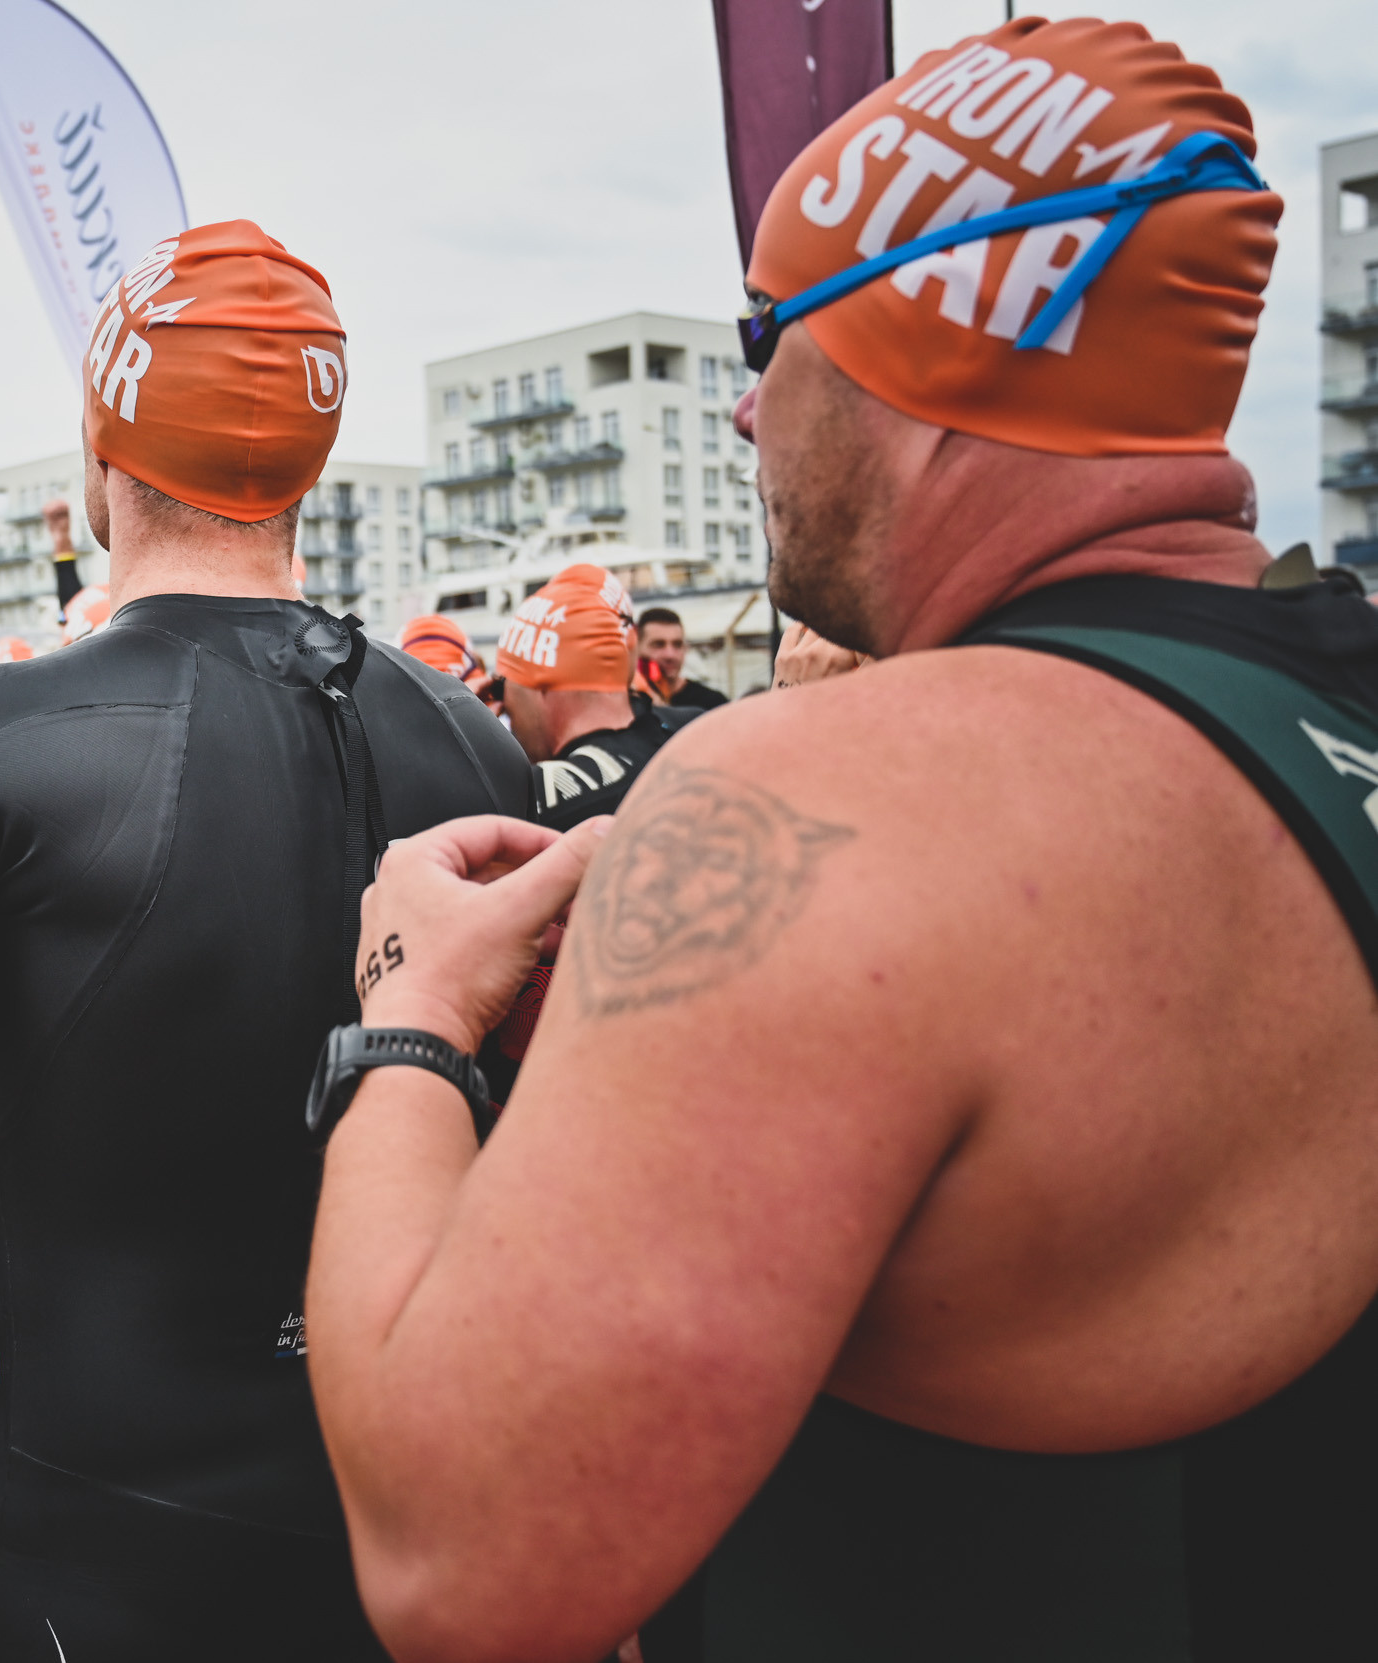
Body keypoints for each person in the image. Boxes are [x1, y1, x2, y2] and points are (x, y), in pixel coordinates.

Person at [303, 21, 1378, 1662]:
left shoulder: (820, 797)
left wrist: (412, 1015)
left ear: (918, 346)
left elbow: (461, 1568)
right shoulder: (1330, 700)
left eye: (769, 333)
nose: (743, 415)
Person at [0, 220, 531, 1660]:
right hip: (399, 1512)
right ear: (309, 466)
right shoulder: (472, 739)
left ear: (102, 456)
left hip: (100, 1518)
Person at [495, 565, 675, 829]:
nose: (504, 706)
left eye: (500, 685)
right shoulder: (691, 731)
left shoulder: (531, 800)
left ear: (540, 685)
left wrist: (468, 726)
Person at [633, 606, 729, 710]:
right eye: (658, 645)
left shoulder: (713, 703)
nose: (670, 655)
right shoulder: (629, 703)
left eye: (677, 645)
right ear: (637, 648)